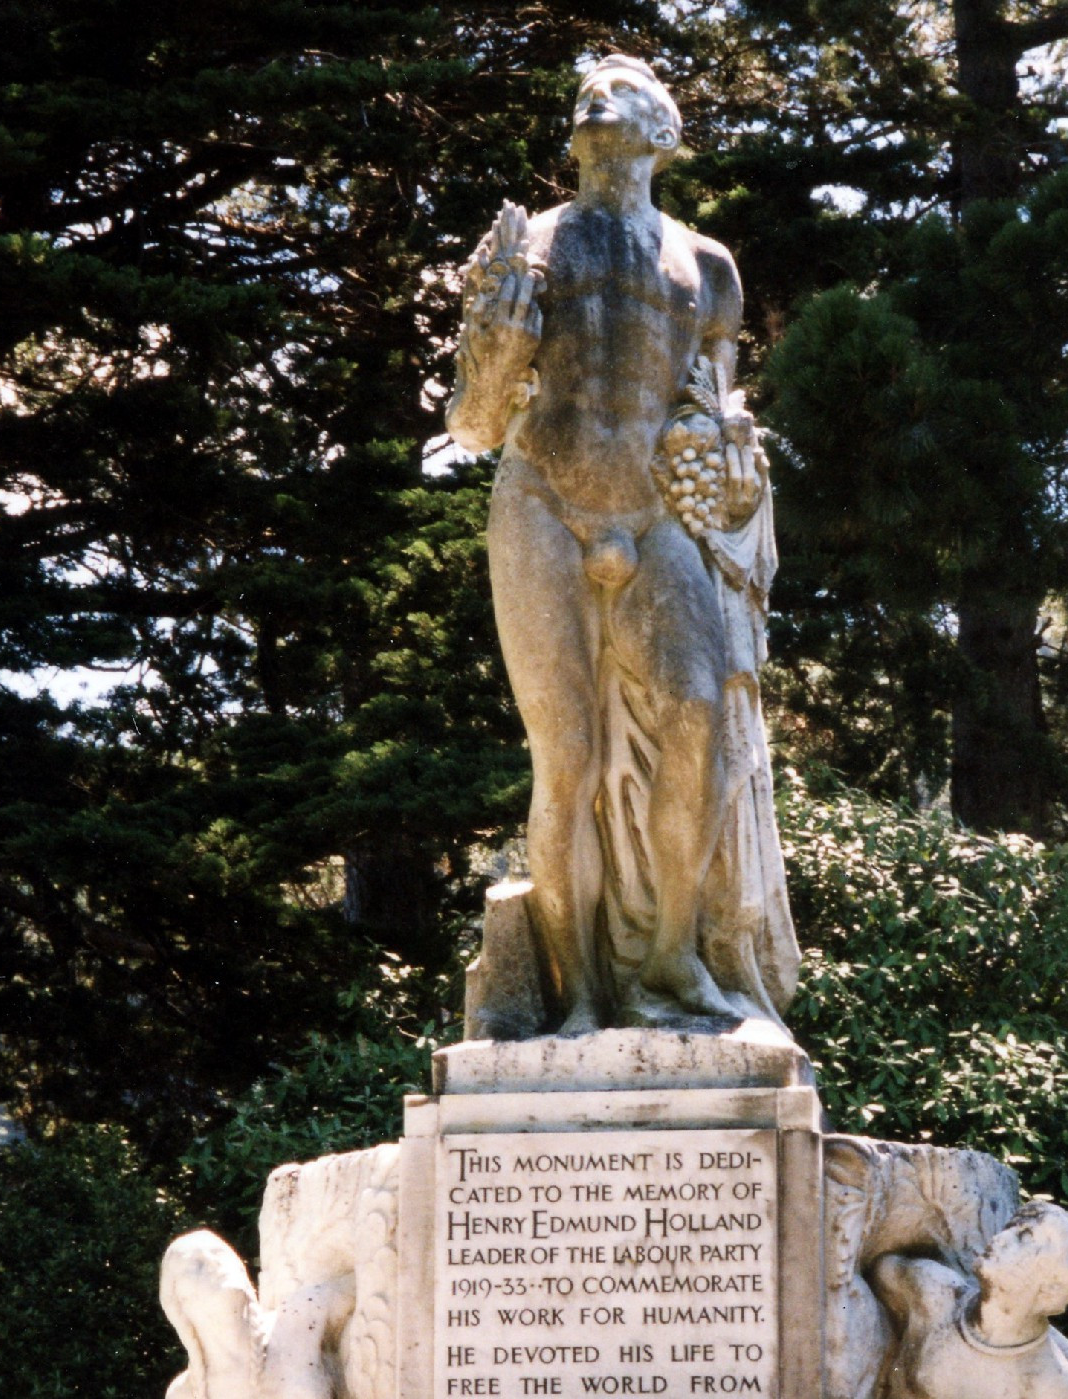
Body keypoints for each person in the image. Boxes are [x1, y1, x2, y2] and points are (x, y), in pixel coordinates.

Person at [446, 55, 796, 1035]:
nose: (597, 98)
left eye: (625, 90)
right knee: (568, 760)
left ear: (665, 133)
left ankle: (666, 968)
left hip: (652, 512)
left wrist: (733, 459)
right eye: (586, 91)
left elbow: (718, 421)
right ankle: (580, 1000)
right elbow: (473, 426)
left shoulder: (708, 268)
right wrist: (495, 353)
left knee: (694, 720)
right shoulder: (534, 244)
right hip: (544, 498)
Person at [867, 1202, 1068, 1399]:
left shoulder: (1047, 1386)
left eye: (1023, 1238)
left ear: (1051, 1288)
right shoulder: (932, 1290)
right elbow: (864, 1275)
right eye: (1010, 1230)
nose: (999, 1239)